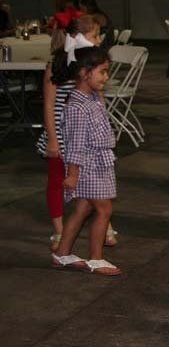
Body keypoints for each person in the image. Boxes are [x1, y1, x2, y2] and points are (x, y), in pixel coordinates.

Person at [38, 15, 119, 250]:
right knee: (58, 182)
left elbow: (99, 100)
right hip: (63, 136)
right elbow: (49, 104)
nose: (98, 39)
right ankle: (59, 231)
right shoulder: (57, 65)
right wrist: (53, 139)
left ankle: (105, 227)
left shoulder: (91, 67)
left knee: (92, 187)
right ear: (77, 37)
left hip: (86, 138)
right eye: (94, 35)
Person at [51, 46, 121, 275]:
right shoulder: (77, 106)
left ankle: (62, 254)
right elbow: (75, 145)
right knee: (104, 210)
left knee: (82, 209)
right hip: (88, 166)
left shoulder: (91, 98)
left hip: (97, 163)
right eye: (102, 72)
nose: (106, 77)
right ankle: (96, 258)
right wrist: (72, 175)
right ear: (84, 73)